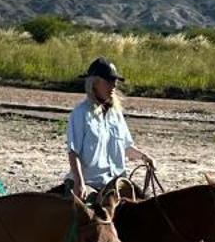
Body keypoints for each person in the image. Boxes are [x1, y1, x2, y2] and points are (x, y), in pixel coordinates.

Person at [65, 57, 153, 201]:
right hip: (90, 182)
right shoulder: (80, 113)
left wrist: (144, 157)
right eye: (108, 81)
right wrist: (79, 183)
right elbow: (73, 152)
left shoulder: (115, 114)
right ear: (94, 83)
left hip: (115, 183)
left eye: (114, 82)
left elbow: (126, 147)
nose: (113, 86)